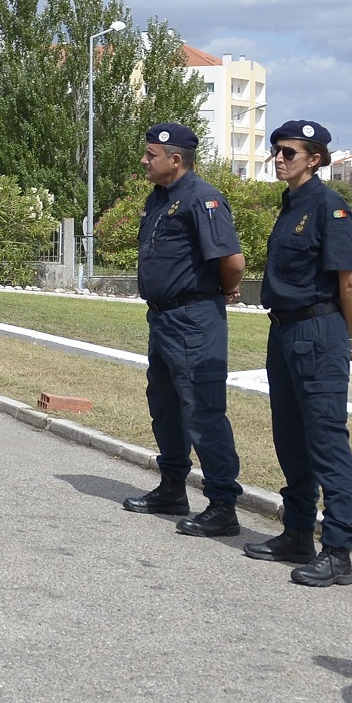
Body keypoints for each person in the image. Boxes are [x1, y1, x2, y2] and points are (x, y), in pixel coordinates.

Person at [242, 120, 352, 587]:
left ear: (314, 159)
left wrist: (346, 337)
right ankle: (297, 532)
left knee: (326, 441)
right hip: (285, 331)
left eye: (288, 152)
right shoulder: (290, 204)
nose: (278, 158)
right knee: (290, 437)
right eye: (275, 150)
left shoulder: (328, 207)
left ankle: (337, 551)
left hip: (319, 331)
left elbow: (351, 282)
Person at [121, 122, 245, 539]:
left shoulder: (203, 199)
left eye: (150, 154)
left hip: (194, 319)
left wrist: (223, 292)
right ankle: (173, 487)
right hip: (163, 319)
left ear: (176, 159)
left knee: (202, 409)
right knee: (166, 406)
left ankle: (223, 504)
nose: (143, 160)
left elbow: (233, 261)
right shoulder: (158, 199)